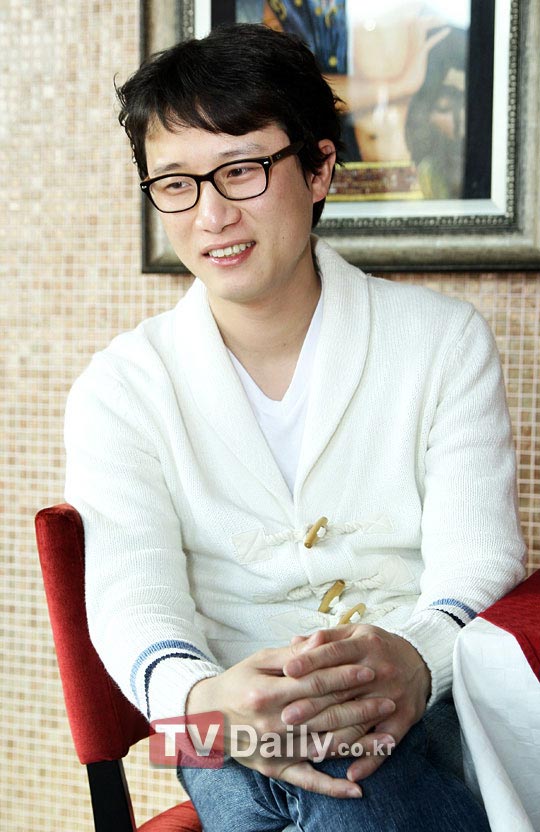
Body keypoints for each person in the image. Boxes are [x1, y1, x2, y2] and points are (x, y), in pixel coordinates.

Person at [64, 23, 525, 831]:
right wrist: (209, 702)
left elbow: (481, 559)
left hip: (424, 698)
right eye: (175, 183)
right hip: (211, 715)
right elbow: (134, 600)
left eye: (241, 170)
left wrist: (417, 660)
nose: (211, 214)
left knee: (352, 767)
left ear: (318, 169)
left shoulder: (442, 341)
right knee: (329, 772)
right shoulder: (121, 387)